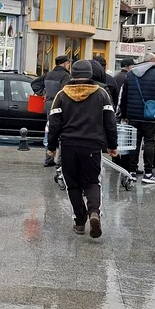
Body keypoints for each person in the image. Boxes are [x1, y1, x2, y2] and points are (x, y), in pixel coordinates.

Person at [47, 59, 118, 239]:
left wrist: (51, 147)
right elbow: (110, 122)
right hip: (93, 145)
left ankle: (79, 222)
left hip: (69, 145)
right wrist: (112, 145)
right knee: (92, 181)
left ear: (72, 74)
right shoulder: (101, 94)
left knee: (73, 184)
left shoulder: (62, 95)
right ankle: (94, 211)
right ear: (90, 74)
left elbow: (54, 123)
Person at [119, 52, 155, 185]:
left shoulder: (130, 74)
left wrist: (124, 114)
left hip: (132, 115)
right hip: (150, 116)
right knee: (149, 143)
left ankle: (132, 171)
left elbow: (124, 96)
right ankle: (148, 173)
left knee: (134, 143)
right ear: (153, 61)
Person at [32, 56, 71, 166]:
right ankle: (60, 161)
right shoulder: (66, 76)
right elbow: (65, 92)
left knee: (50, 130)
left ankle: (48, 158)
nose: (69, 66)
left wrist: (43, 93)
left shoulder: (48, 74)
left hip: (49, 106)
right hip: (60, 106)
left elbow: (34, 84)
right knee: (62, 132)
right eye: (68, 63)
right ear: (64, 64)